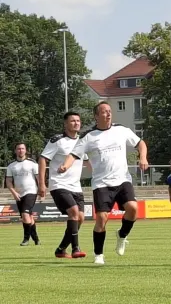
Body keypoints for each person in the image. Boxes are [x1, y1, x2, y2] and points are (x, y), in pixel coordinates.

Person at [59, 101, 149, 266]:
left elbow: (140, 143)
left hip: (123, 179)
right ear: (96, 116)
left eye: (109, 111)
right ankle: (98, 255)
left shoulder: (121, 130)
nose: (108, 114)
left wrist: (143, 157)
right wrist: (65, 165)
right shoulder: (89, 137)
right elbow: (73, 154)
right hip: (101, 184)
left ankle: (122, 235)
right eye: (104, 112)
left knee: (133, 209)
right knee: (101, 218)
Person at [38, 111, 92, 259]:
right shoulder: (57, 140)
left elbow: (87, 161)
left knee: (80, 217)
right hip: (59, 184)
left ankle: (61, 249)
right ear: (66, 124)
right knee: (74, 212)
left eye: (78, 121)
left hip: (76, 187)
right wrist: (42, 184)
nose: (76, 123)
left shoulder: (82, 142)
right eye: (73, 121)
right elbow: (43, 159)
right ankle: (76, 249)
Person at [6, 142, 40, 246]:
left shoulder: (32, 163)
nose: (21, 150)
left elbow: (39, 178)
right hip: (19, 194)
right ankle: (36, 239)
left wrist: (42, 190)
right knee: (28, 216)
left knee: (25, 215)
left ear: (25, 150)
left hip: (31, 192)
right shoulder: (11, 166)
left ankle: (26, 239)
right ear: (15, 151)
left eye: (22, 148)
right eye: (18, 149)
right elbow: (8, 181)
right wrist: (14, 193)